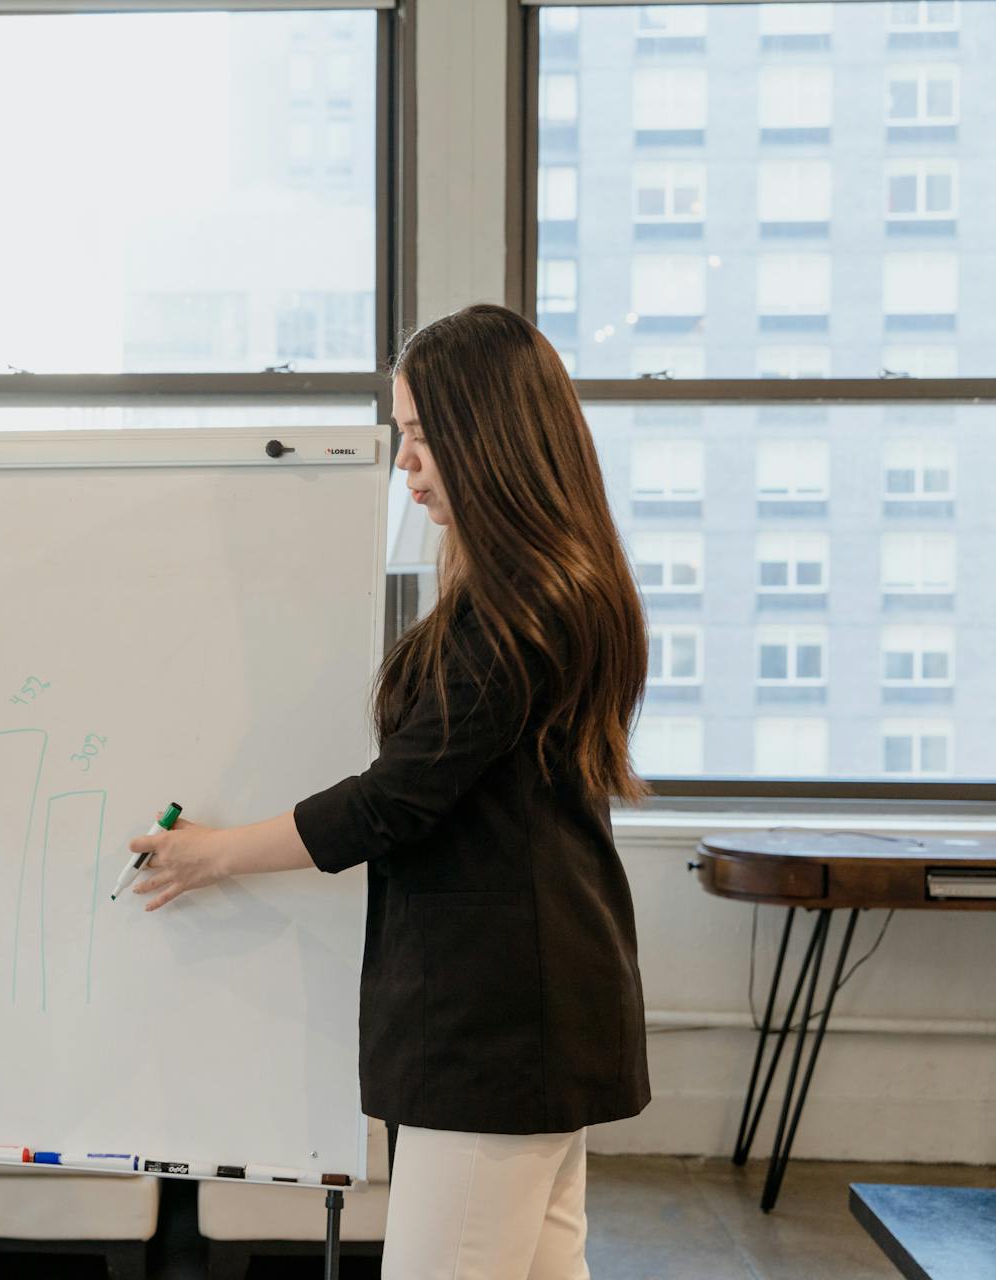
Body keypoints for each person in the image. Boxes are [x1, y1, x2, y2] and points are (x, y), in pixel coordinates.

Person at [127, 303, 651, 1280]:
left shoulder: (518, 606)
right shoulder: (551, 585)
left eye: (419, 434)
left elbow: (395, 800)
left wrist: (214, 850)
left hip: (496, 1024)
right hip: (536, 1009)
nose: (404, 464)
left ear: (484, 434)